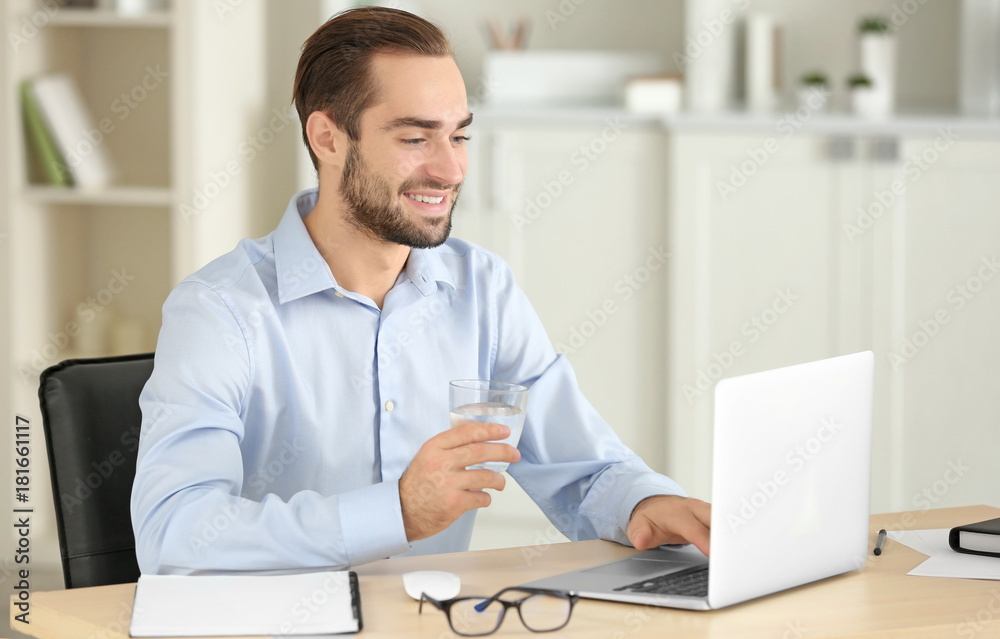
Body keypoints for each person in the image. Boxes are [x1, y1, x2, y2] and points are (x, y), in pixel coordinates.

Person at [130, 6, 710, 575]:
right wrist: (395, 512)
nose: (451, 169)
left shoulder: (482, 288)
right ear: (327, 138)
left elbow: (582, 469)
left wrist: (648, 504)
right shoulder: (221, 311)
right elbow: (175, 533)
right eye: (415, 138)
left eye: (458, 136)